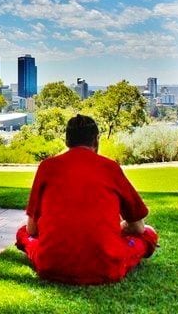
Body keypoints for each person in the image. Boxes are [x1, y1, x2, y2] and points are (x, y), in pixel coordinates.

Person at [16, 114, 158, 284]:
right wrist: (118, 229)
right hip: (106, 267)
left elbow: (32, 230)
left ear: (67, 141)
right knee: (149, 234)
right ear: (96, 141)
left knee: (22, 233)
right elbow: (138, 228)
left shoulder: (47, 167)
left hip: (51, 265)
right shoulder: (110, 167)